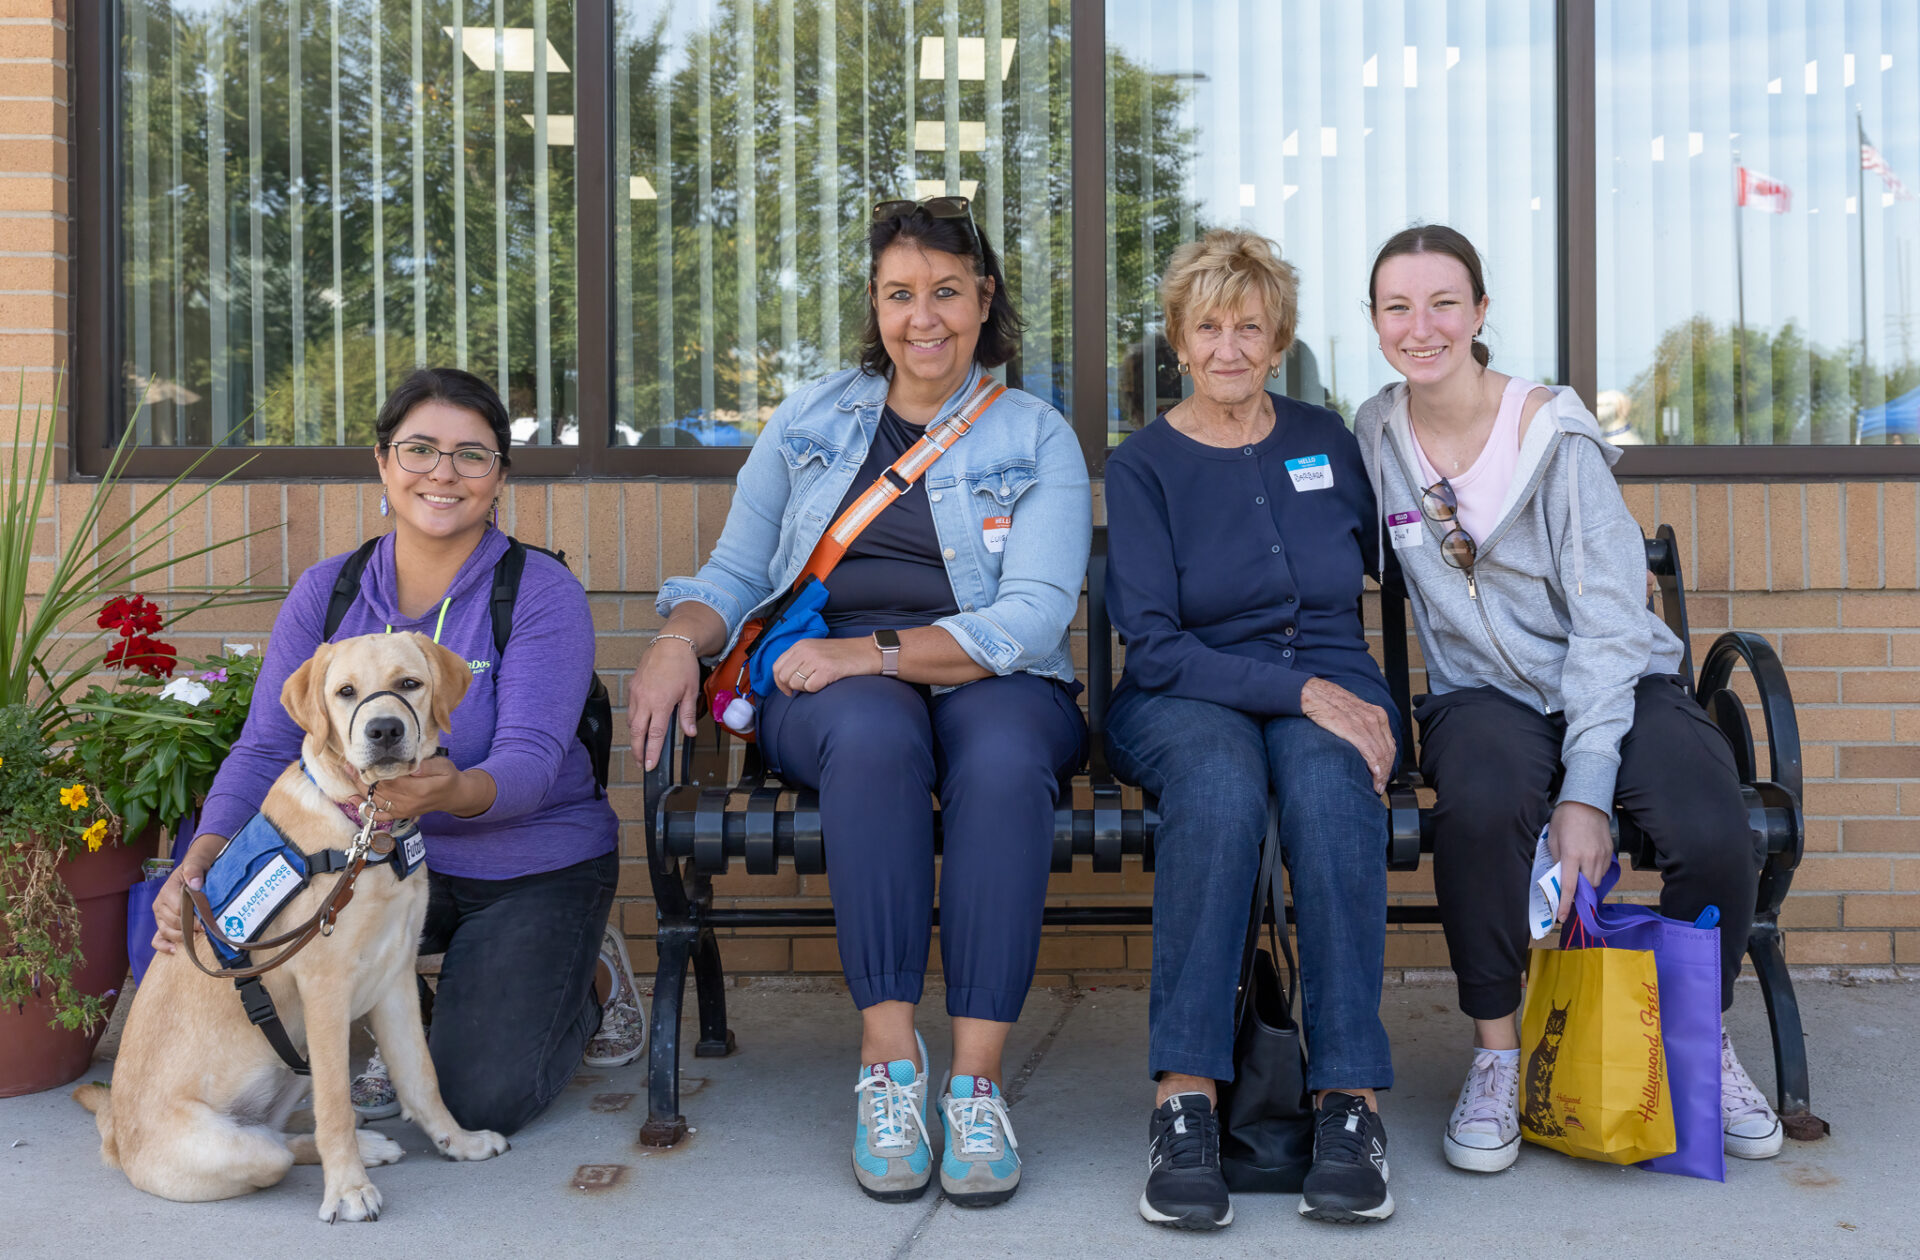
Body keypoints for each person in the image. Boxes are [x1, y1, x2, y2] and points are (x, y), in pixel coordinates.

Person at [628, 196, 1090, 1207]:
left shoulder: (1034, 435)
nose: (922, 318)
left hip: (990, 676)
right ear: (875, 305)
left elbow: (1033, 621)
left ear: (985, 300)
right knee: (876, 743)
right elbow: (737, 572)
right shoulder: (813, 419)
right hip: (823, 687)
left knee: (1008, 763)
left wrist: (872, 652)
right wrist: (676, 641)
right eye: (899, 294)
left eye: (945, 293)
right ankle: (891, 1066)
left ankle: (974, 1082)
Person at [1353, 224, 1782, 1173]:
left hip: (1618, 682)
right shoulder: (1377, 432)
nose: (1420, 326)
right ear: (1375, 321)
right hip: (1483, 697)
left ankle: (1698, 1045)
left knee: (1713, 828)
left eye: (1443, 303)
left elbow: (1608, 624)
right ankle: (1499, 1058)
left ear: (1480, 313)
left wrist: (1586, 790)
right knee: (1479, 805)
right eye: (1397, 307)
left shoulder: (1556, 438)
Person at [151, 367, 642, 1137]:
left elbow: (530, 761)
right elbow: (264, 749)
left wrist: (446, 793)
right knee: (260, 920)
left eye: (471, 455)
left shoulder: (537, 590)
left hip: (525, 863)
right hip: (366, 862)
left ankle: (592, 975)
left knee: (482, 1100)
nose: (442, 473)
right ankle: (410, 1010)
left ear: (499, 477)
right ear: (383, 464)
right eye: (419, 449)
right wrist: (203, 860)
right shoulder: (329, 592)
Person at [1104, 229, 1399, 1229]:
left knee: (1329, 785)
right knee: (1223, 789)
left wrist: (1342, 698)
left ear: (1278, 341)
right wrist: (1304, 693)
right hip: (1184, 697)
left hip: (1330, 687)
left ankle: (1348, 1103)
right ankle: (1184, 1100)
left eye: (1250, 327)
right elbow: (1151, 645)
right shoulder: (1143, 466)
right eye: (1209, 327)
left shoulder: (1327, 440)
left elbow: (1400, 564)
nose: (1229, 347)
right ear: (1179, 341)